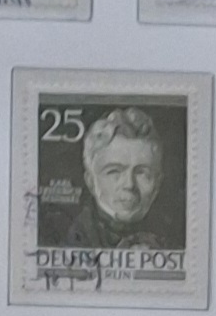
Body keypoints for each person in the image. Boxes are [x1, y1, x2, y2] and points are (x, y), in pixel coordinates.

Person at [42, 107, 168, 257]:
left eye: (142, 173)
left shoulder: (171, 240)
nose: (129, 185)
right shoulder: (68, 242)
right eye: (114, 171)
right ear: (90, 181)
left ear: (158, 183)